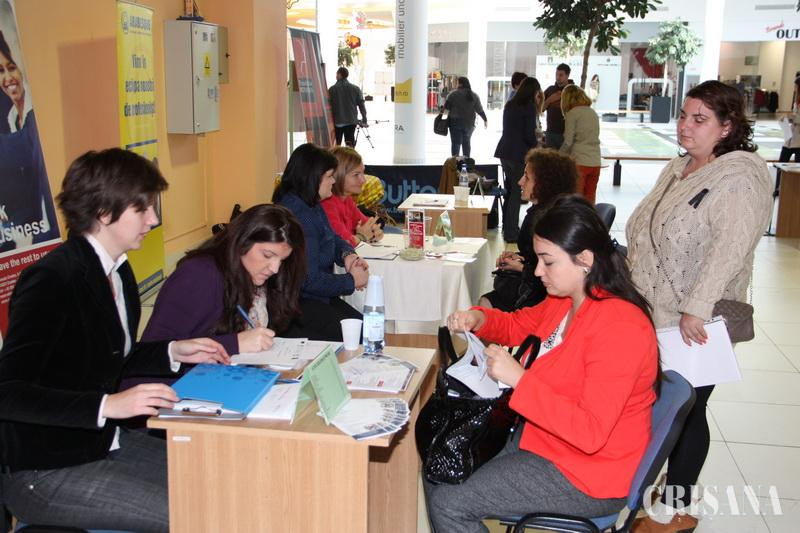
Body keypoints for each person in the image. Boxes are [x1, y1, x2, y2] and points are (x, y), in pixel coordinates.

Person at [0, 148, 230, 532]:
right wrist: (108, 404)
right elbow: (8, 392)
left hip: (101, 442)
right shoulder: (53, 279)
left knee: (217, 482)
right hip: (45, 470)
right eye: (143, 209)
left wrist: (173, 350)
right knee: (196, 516)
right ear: (104, 212)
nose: (153, 220)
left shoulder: (118, 270)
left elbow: (107, 355)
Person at [427, 195, 659, 533]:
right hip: (545, 440)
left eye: (548, 262)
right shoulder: (567, 300)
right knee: (439, 464)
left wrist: (520, 379)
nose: (537, 271)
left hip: (587, 473)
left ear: (585, 260)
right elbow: (518, 324)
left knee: (449, 503)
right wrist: (480, 318)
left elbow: (590, 433)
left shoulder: (620, 328)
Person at [626, 80, 772, 533]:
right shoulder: (680, 167)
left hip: (696, 321)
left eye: (699, 119)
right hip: (657, 311)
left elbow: (731, 249)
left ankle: (675, 509)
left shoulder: (739, 177)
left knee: (687, 412)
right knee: (669, 407)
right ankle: (672, 490)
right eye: (683, 116)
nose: (685, 126)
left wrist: (698, 306)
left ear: (727, 127)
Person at [142, 204, 306, 355]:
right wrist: (235, 344)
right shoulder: (198, 275)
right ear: (242, 241)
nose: (275, 269)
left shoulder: (253, 275)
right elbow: (153, 353)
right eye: (267, 255)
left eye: (282, 260)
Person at [273, 143, 369, 341]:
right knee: (362, 334)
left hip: (316, 298)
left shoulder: (311, 204)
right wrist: (351, 280)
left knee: (366, 328)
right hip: (298, 305)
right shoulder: (299, 216)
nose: (334, 181)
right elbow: (309, 280)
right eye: (330, 176)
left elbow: (333, 237)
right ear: (313, 177)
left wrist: (348, 255)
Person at [479, 148, 577, 311]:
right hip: (535, 287)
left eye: (527, 177)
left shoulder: (550, 222)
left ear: (543, 183)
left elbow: (553, 273)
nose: (520, 182)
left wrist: (520, 267)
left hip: (541, 295)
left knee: (485, 304)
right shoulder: (546, 212)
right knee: (487, 303)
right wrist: (521, 257)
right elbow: (539, 257)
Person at [0, 29, 58, 251]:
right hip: (30, 231)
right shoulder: (12, 118)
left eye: (11, 67)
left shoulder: (35, 116)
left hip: (51, 232)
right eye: (0, 71)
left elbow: (16, 151)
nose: (8, 78)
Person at [494, 77, 543, 243]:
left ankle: (507, 226)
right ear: (533, 91)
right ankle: (511, 233)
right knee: (516, 193)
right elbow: (528, 135)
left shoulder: (510, 104)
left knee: (510, 189)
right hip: (518, 154)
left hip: (504, 151)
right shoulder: (529, 106)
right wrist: (537, 143)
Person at [321, 146, 383, 246]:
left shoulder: (346, 198)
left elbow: (368, 225)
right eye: (356, 175)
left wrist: (374, 231)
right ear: (337, 175)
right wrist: (361, 236)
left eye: (363, 173)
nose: (363, 180)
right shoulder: (326, 204)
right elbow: (343, 244)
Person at [560, 84, 602, 204]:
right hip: (595, 161)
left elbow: (568, 142)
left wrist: (558, 156)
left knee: (576, 201)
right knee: (589, 199)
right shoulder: (593, 113)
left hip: (580, 161)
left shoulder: (572, 114)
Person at [444, 76, 487, 157]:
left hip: (455, 122)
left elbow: (446, 108)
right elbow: (479, 110)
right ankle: (466, 162)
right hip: (469, 123)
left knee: (456, 143)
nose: (456, 84)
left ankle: (455, 162)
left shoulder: (452, 95)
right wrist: (485, 119)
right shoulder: (474, 95)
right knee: (466, 143)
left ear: (460, 84)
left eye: (457, 83)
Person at [328, 66, 367, 148]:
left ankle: (336, 155)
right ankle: (350, 155)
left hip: (336, 122)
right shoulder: (355, 89)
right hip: (351, 121)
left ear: (339, 74)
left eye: (337, 74)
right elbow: (361, 105)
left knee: (336, 146)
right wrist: (364, 119)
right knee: (350, 146)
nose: (336, 76)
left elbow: (327, 107)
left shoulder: (331, 90)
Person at [776, 76, 800, 196]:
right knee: (781, 162)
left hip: (798, 141)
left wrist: (792, 117)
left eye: (796, 86)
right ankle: (777, 188)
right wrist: (787, 118)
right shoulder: (796, 101)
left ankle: (795, 191)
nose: (794, 88)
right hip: (790, 138)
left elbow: (797, 118)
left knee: (798, 167)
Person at [542, 63, 570, 150]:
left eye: (561, 75)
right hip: (551, 132)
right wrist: (550, 100)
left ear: (567, 75)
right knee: (550, 157)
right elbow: (540, 109)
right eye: (556, 74)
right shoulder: (550, 90)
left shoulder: (573, 91)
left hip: (566, 134)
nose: (558, 77)